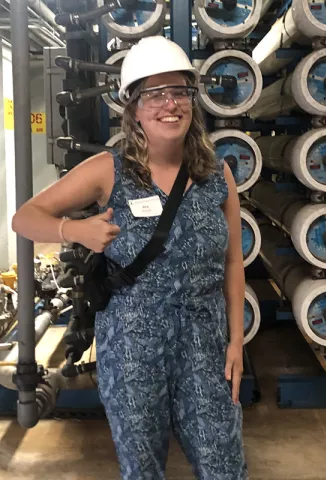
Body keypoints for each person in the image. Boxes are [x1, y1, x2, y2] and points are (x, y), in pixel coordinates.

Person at [12, 35, 248, 479]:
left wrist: (235, 341)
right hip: (132, 347)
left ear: (193, 102)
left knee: (225, 466)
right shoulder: (110, 170)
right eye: (154, 95)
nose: (169, 104)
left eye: (179, 91)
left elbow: (233, 262)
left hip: (205, 344)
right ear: (134, 108)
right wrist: (75, 229)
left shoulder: (217, 175)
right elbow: (25, 218)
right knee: (142, 469)